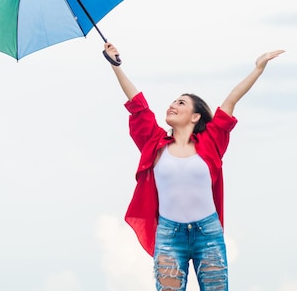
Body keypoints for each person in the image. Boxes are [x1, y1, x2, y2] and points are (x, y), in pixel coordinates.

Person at [104, 42, 284, 291]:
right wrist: (115, 65)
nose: (172, 105)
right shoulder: (154, 142)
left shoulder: (211, 141)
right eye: (172, 102)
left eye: (181, 103)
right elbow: (137, 103)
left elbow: (230, 101)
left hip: (208, 234)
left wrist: (258, 69)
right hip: (168, 236)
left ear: (196, 116)